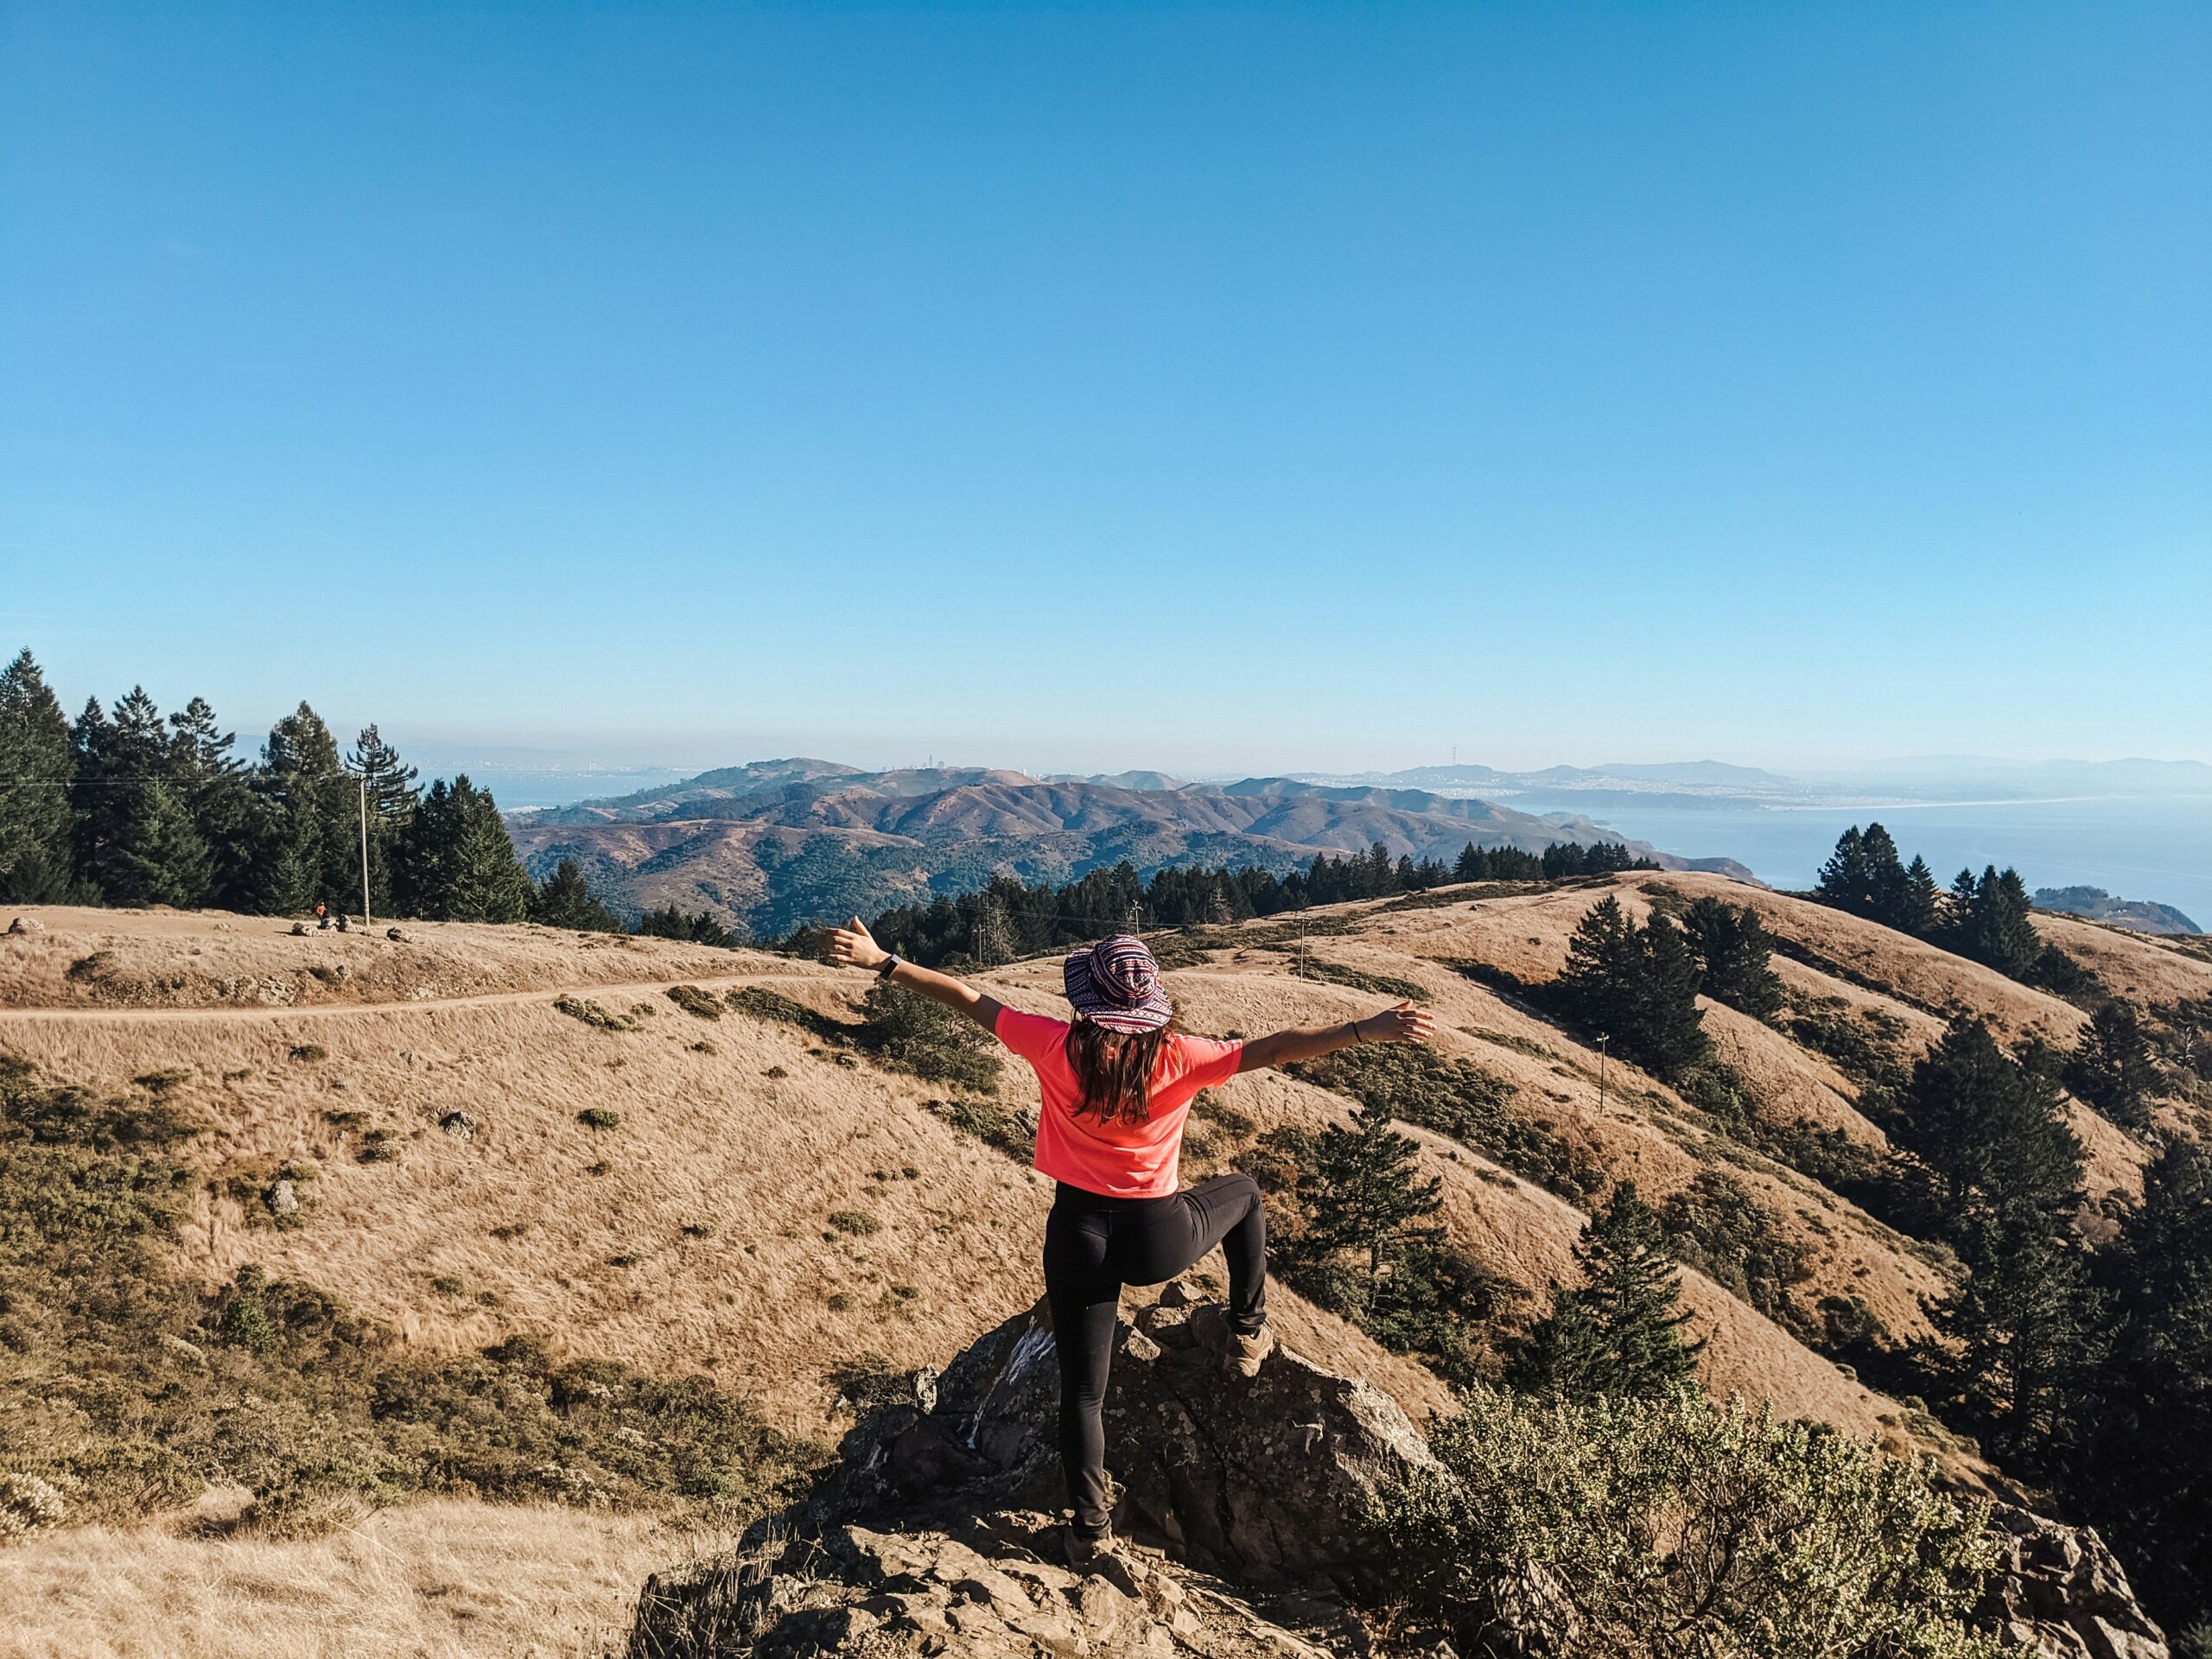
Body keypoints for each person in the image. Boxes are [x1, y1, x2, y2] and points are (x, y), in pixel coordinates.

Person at [821, 915, 1435, 1566]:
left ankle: (1088, 1530)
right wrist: (1369, 1028)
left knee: (1082, 1392)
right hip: (1156, 1237)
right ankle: (1248, 1332)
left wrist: (881, 960)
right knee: (1246, 1192)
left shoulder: (1056, 1045)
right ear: (1151, 1005)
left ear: (1089, 1001)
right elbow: (1279, 1048)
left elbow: (969, 998)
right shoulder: (1182, 1056)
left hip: (1077, 1234)